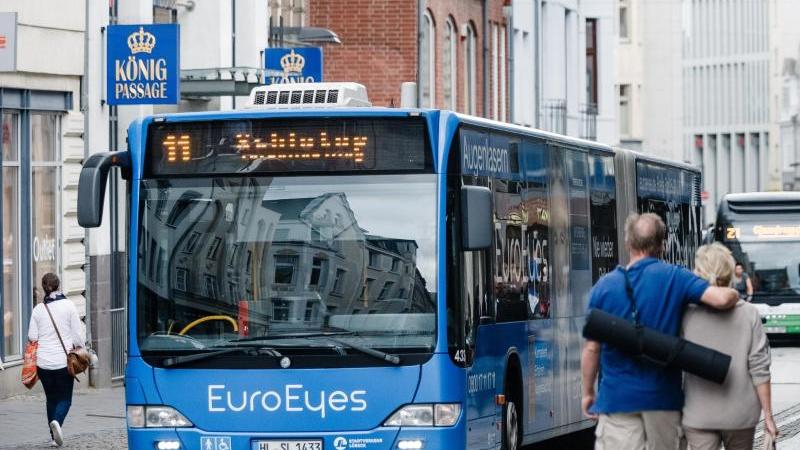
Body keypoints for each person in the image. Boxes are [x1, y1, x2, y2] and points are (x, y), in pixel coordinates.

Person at [581, 213, 740, 450]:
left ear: (628, 244)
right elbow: (720, 299)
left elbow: (592, 349)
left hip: (617, 399)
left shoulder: (603, 287)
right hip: (662, 399)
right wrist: (735, 293)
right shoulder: (676, 277)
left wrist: (587, 392)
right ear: (662, 245)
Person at [682, 243, 777, 450]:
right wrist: (768, 416)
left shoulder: (685, 313)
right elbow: (760, 368)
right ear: (730, 271)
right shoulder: (749, 313)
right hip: (740, 415)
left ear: (699, 272)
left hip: (699, 414)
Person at [27, 273, 84, 447]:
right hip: (63, 362)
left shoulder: (38, 309)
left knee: (51, 399)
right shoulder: (68, 305)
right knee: (65, 399)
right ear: (59, 286)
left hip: (43, 363)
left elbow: (32, 336)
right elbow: (77, 336)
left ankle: (53, 437)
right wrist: (80, 347)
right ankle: (57, 422)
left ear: (44, 288)